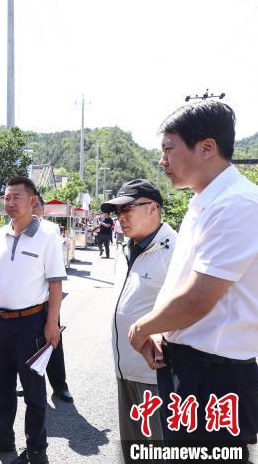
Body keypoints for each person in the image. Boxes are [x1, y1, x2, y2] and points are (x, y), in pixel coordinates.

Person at [129, 101, 258, 449]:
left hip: (216, 374)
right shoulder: (203, 203)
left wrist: (143, 327)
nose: (162, 161)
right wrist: (161, 330)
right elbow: (181, 284)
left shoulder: (238, 204)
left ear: (206, 148)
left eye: (169, 149)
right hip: (188, 365)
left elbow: (199, 298)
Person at [0, 177, 66, 464]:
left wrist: (52, 324)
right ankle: (4, 438)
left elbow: (55, 285)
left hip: (32, 324)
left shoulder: (48, 235)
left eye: (16, 197)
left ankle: (36, 450)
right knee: (0, 386)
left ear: (32, 201)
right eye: (7, 197)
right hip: (0, 322)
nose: (10, 203)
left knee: (34, 392)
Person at [101, 179, 176, 461]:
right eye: (117, 211)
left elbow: (193, 309)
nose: (120, 217)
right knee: (132, 450)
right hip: (124, 370)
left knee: (157, 450)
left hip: (155, 376)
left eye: (128, 209)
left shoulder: (175, 251)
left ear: (153, 207)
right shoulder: (126, 248)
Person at [31, 193, 73, 403]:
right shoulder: (13, 230)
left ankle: (60, 385)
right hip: (27, 302)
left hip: (48, 299)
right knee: (29, 345)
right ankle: (28, 383)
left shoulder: (51, 229)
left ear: (43, 207)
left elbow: (55, 274)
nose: (33, 209)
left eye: (36, 205)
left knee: (53, 341)